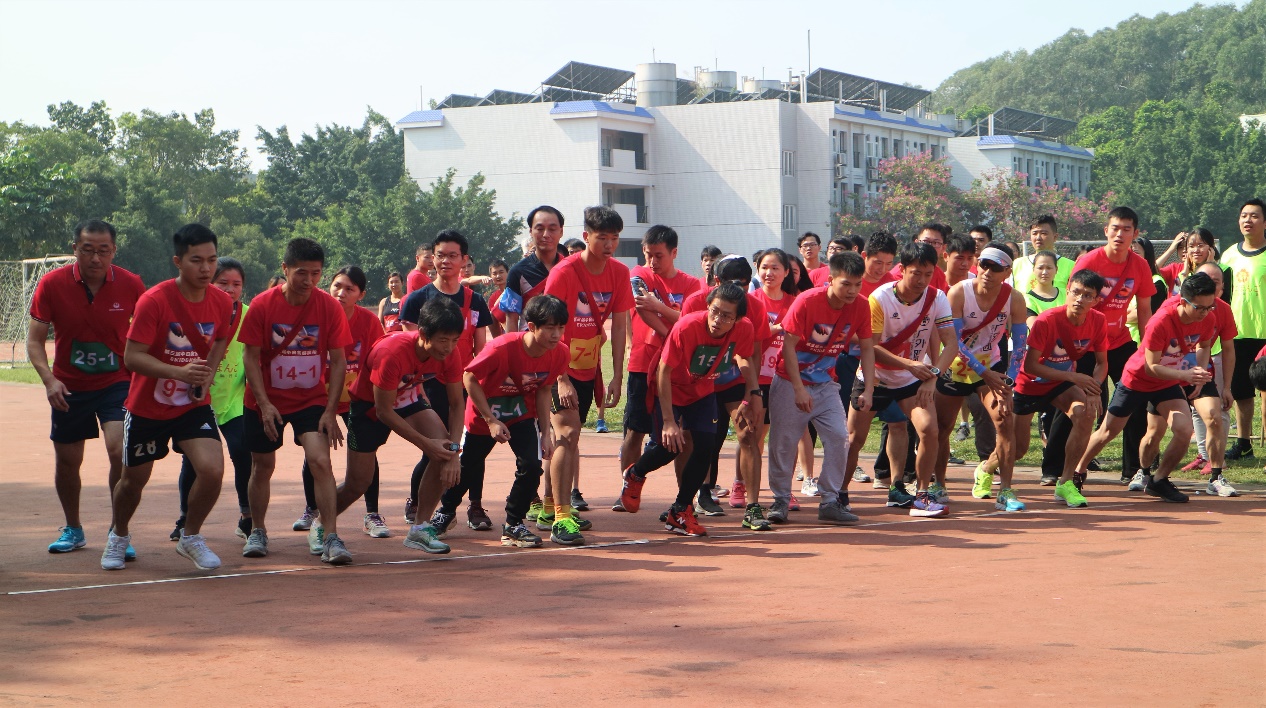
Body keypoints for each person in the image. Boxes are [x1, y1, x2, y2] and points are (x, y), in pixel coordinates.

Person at [103, 224, 233, 571]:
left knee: (213, 470)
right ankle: (119, 534)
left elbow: (221, 338)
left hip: (192, 405)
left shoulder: (222, 302)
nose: (206, 269)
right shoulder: (155, 301)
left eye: (212, 260)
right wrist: (180, 372)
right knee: (132, 482)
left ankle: (190, 537)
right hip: (147, 407)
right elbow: (132, 357)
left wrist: (207, 373)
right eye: (196, 260)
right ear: (178, 261)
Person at [28, 219, 146, 556]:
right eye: (88, 250)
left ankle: (118, 531)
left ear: (114, 252)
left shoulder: (132, 284)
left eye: (103, 251)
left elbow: (151, 330)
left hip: (118, 381)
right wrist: (50, 380)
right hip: (69, 385)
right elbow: (35, 341)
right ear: (75, 250)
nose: (95, 258)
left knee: (119, 450)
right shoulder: (52, 284)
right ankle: (73, 529)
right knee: (68, 461)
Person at [239, 238, 352, 563]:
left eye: (316, 273)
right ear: (285, 269)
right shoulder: (262, 305)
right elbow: (250, 357)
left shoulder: (328, 307)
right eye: (302, 273)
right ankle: (257, 530)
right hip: (264, 401)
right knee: (262, 466)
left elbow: (339, 360)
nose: (309, 280)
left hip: (310, 400)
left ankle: (331, 537)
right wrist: (264, 404)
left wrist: (331, 411)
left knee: (320, 461)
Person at [616, 283, 758, 535]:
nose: (717, 320)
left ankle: (680, 510)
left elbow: (744, 356)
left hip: (702, 389)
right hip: (668, 387)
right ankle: (635, 473)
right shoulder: (687, 326)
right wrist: (670, 421)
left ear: (737, 319)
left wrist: (753, 392)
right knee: (670, 445)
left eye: (726, 316)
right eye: (714, 311)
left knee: (705, 446)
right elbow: (664, 370)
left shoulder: (744, 329)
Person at [1071, 273, 1220, 504]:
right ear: (1183, 302)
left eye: (1209, 307)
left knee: (1183, 428)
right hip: (1137, 379)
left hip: (1167, 382)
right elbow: (1151, 367)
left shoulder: (1208, 318)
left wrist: (1199, 374)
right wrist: (1185, 375)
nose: (1205, 312)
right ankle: (1077, 472)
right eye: (1199, 307)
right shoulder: (1160, 321)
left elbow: (1203, 345)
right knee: (1108, 432)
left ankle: (1159, 480)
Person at [441, 294, 570, 548]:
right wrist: (490, 420)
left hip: (521, 414)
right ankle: (444, 513)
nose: (556, 335)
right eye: (550, 328)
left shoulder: (559, 354)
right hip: (484, 413)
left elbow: (544, 390)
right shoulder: (502, 348)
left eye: (561, 328)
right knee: (468, 467)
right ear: (531, 327)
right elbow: (469, 377)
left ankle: (513, 524)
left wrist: (546, 432)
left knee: (532, 466)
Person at [339, 298, 465, 555]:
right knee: (358, 483)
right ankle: (323, 524)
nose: (449, 347)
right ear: (423, 333)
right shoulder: (391, 353)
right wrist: (426, 445)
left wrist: (454, 451)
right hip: (370, 407)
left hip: (408, 397)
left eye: (454, 340)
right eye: (443, 340)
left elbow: (456, 404)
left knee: (443, 453)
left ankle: (420, 529)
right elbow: (383, 411)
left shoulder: (450, 353)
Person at [845, 242, 958, 517]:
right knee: (854, 439)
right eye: (915, 273)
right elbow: (869, 346)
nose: (921, 280)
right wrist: (908, 363)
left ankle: (919, 494)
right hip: (875, 377)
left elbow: (951, 345)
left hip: (913, 380)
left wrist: (932, 376)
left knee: (929, 429)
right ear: (902, 270)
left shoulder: (937, 298)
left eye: (928, 274)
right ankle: (838, 493)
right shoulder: (880, 298)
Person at [542, 206, 633, 545]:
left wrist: (617, 376)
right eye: (602, 238)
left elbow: (621, 324)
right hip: (557, 365)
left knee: (571, 438)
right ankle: (562, 519)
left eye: (614, 238)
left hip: (588, 366)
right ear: (586, 237)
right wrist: (560, 377)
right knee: (567, 433)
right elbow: (550, 328)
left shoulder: (620, 273)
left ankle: (550, 505)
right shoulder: (564, 273)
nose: (609, 245)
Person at [766, 252, 875, 524]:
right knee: (784, 444)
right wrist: (799, 389)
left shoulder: (861, 306)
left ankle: (830, 500)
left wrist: (869, 389)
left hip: (826, 384)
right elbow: (788, 345)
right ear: (830, 280)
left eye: (857, 284)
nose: (852, 291)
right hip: (790, 382)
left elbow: (867, 348)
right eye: (845, 284)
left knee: (840, 438)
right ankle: (780, 500)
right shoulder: (807, 301)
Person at [400, 230, 493, 530]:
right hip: (428, 386)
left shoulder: (475, 301)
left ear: (465, 261)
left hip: (465, 384)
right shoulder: (417, 299)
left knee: (473, 448)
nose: (445, 261)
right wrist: (418, 388)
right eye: (440, 255)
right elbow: (409, 347)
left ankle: (474, 506)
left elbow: (481, 350)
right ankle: (418, 503)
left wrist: (482, 387)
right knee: (437, 448)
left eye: (453, 256)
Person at [1061, 207, 1157, 484]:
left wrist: (1147, 347)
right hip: (1086, 345)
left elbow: (1145, 309)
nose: (1120, 234)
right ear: (1106, 231)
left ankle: (1133, 470)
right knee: (1080, 404)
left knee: (1136, 399)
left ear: (1135, 234)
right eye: (1115, 228)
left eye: (1126, 229)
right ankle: (1056, 468)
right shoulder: (1089, 261)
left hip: (1120, 342)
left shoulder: (1139, 265)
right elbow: (1072, 303)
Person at [293, 266, 387, 538]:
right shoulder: (313, 317)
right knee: (315, 453)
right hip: (319, 398)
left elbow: (375, 359)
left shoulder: (368, 322)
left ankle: (372, 514)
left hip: (355, 397)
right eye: (337, 286)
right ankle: (312, 509)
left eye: (349, 289)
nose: (341, 293)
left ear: (361, 294)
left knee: (366, 452)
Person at [678, 256, 771, 530]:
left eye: (743, 286)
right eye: (731, 285)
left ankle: (753, 507)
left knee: (749, 432)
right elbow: (686, 348)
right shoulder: (695, 302)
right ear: (716, 283)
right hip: (699, 380)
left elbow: (752, 356)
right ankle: (693, 497)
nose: (738, 293)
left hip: (733, 381)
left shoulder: (754, 308)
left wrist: (752, 394)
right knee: (699, 439)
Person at [933, 247, 1029, 510]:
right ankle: (938, 484)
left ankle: (1006, 491)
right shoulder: (959, 292)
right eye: (984, 265)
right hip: (956, 365)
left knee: (1005, 421)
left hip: (992, 365)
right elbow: (954, 341)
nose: (988, 272)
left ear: (1007, 272)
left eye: (996, 268)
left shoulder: (1015, 299)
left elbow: (1020, 345)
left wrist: (1009, 381)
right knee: (942, 427)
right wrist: (982, 370)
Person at [1008, 269, 1108, 507]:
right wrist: (1074, 377)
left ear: (1096, 300)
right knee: (1018, 449)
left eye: (1087, 295)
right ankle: (987, 467)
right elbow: (1031, 366)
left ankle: (1065, 482)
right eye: (1076, 292)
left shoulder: (1098, 321)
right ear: (1067, 291)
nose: (1079, 299)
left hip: (1061, 382)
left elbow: (1103, 363)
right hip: (1030, 384)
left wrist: (1093, 391)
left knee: (1085, 414)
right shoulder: (1047, 320)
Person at [621, 225, 701, 508]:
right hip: (643, 362)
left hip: (679, 370)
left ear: (674, 253)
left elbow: (694, 320)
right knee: (635, 430)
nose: (652, 261)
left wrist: (661, 307)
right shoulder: (639, 274)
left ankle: (684, 499)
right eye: (647, 254)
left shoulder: (692, 284)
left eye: (658, 255)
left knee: (685, 434)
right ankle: (628, 488)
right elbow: (643, 308)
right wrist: (675, 333)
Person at [172, 258, 251, 542]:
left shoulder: (249, 315)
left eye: (236, 284)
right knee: (193, 462)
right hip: (196, 398)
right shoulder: (196, 311)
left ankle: (247, 515)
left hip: (235, 397)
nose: (229, 290)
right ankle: (185, 517)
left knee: (243, 451)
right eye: (223, 283)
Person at [1173, 263, 1238, 496]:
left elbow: (1225, 348)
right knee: (1155, 426)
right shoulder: (1173, 307)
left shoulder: (1219, 311)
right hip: (1167, 371)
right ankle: (1146, 472)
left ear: (1221, 288)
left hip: (1200, 370)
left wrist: (1226, 386)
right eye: (1204, 279)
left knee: (1214, 416)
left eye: (1216, 282)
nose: (1210, 285)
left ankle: (1216, 475)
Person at [1220, 198, 1266, 462]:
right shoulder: (1229, 255)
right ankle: (1244, 443)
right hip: (1236, 334)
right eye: (1244, 216)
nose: (1247, 220)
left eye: (1254, 216)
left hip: (1264, 334)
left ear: (1265, 222)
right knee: (1240, 391)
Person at [500, 206, 566, 334]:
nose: (546, 235)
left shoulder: (571, 268)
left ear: (561, 231)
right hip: (531, 346)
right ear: (531, 231)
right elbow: (512, 319)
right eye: (540, 229)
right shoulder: (518, 272)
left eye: (552, 229)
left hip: (565, 344)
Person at [1012, 216, 1074, 293]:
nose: (1038, 238)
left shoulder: (1071, 266)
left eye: (1043, 233)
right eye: (1034, 233)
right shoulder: (1017, 264)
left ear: (1055, 237)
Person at [889, 224, 951, 293]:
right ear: (916, 242)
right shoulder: (900, 273)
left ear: (944, 248)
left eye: (936, 243)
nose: (930, 246)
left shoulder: (940, 275)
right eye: (926, 241)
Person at [1024, 251, 1065, 319]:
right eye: (1040, 268)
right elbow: (1034, 326)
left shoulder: (1066, 294)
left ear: (1056, 269)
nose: (1045, 272)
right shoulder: (1028, 299)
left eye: (1049, 268)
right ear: (1033, 270)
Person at [486, 259, 509, 337]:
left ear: (508, 272)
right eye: (494, 273)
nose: (498, 276)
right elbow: (493, 320)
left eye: (501, 272)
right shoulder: (493, 298)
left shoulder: (518, 290)